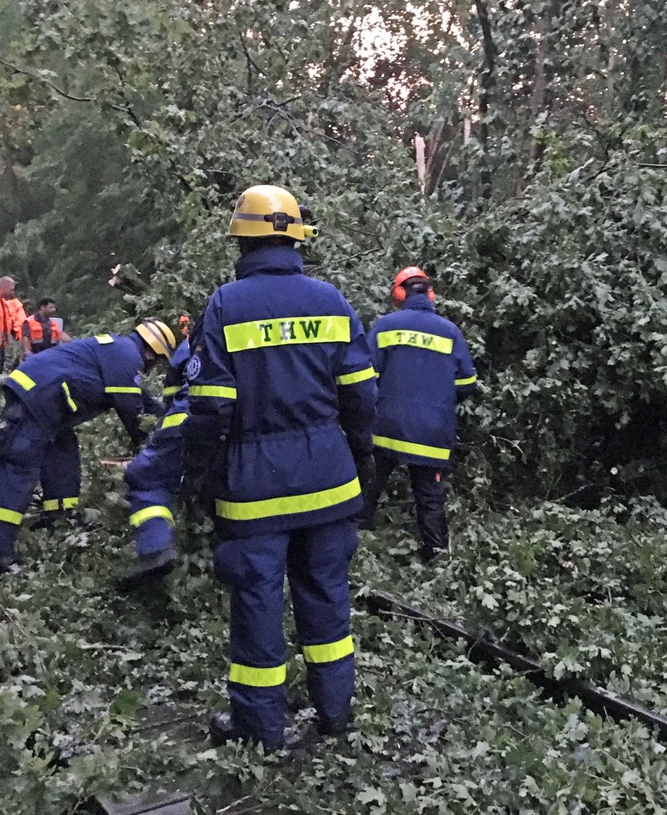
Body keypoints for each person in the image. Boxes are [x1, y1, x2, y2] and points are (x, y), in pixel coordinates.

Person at [183, 185, 376, 751]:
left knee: (258, 610)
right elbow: (361, 398)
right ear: (296, 238)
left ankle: (261, 732)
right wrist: (359, 456)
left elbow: (211, 406)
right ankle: (334, 717)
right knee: (327, 602)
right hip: (330, 480)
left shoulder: (225, 305)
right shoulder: (332, 300)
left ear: (240, 242)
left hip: (253, 489)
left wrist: (198, 475)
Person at [0, 319, 177, 574]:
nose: (152, 367)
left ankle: (59, 516)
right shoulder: (127, 355)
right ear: (151, 351)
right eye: (157, 360)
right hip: (38, 399)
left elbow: (141, 398)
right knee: (20, 468)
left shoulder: (120, 351)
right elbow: (130, 408)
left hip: (51, 405)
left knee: (63, 454)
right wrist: (151, 448)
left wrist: (168, 415)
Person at [356, 267, 477, 561]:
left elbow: (365, 376)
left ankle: (352, 550)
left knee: (368, 490)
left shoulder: (385, 327)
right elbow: (466, 383)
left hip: (386, 429)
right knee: (430, 497)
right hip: (431, 434)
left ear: (398, 293)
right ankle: (436, 557)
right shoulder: (450, 331)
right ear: (431, 295)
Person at [118, 336, 190, 592]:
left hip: (191, 418)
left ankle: (155, 550)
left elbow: (172, 396)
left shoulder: (202, 337)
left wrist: (150, 437)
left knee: (145, 477)